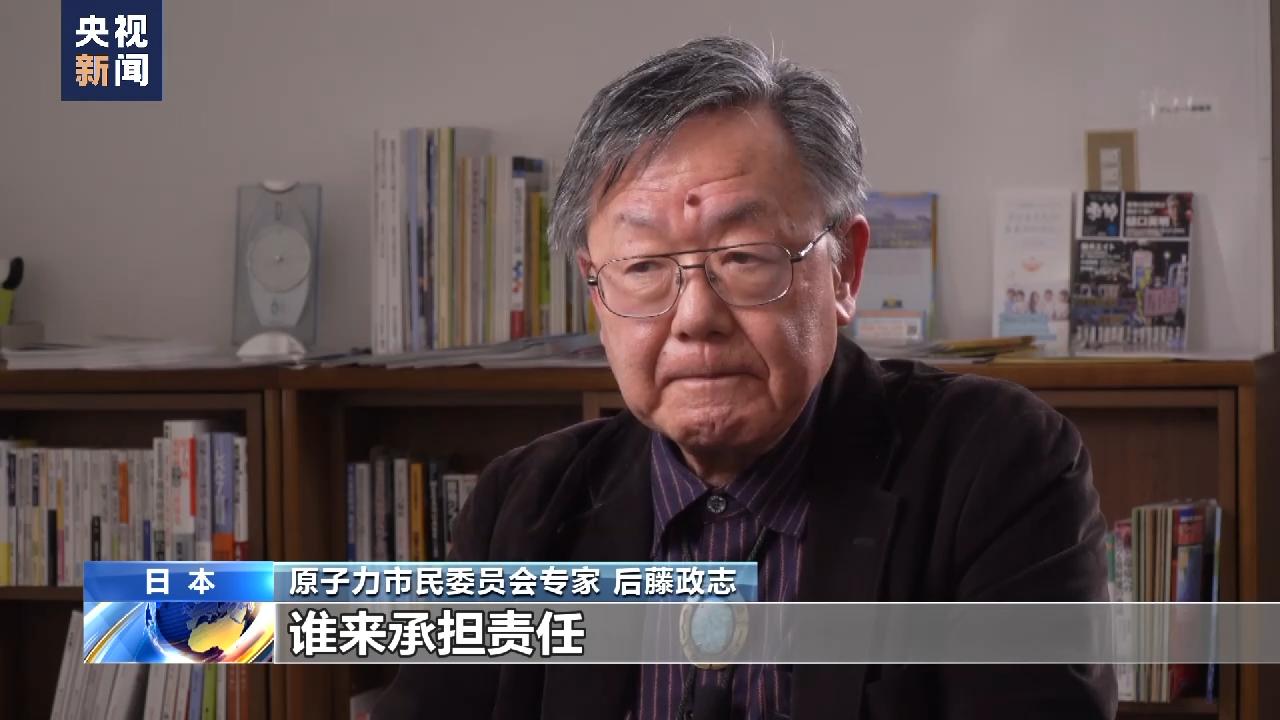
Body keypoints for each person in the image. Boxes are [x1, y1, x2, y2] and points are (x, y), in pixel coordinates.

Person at [374, 36, 1115, 720]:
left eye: (744, 256)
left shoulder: (995, 466)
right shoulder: (519, 508)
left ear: (845, 270)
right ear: (595, 290)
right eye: (643, 267)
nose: (695, 317)